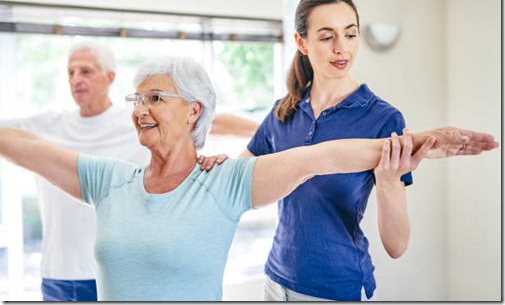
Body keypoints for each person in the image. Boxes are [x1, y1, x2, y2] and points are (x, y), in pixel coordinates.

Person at [0, 55, 498, 301]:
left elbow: (321, 157)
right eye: (137, 99)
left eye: (155, 98)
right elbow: (27, 148)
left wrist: (419, 141)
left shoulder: (225, 182)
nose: (139, 110)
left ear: (193, 111)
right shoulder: (109, 181)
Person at [230, 0, 495, 301]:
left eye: (350, 35)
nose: (342, 48)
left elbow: (397, 246)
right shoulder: (283, 111)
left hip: (335, 289)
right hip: (275, 281)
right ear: (302, 43)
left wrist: (388, 179)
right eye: (327, 37)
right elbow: (239, 182)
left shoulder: (382, 119)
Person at [0, 40, 152, 301]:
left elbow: (198, 125)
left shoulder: (136, 125)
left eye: (85, 71)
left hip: (115, 274)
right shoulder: (48, 125)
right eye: (70, 72)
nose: (75, 79)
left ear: (110, 77)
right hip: (56, 275)